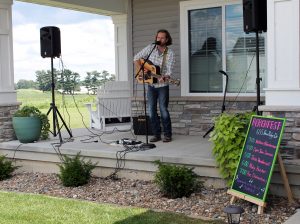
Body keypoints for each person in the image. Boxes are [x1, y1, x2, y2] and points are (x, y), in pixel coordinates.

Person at [133, 29, 175, 143]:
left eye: (162, 38)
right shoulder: (151, 48)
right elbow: (136, 58)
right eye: (158, 37)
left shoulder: (170, 53)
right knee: (151, 110)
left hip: (162, 85)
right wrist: (141, 71)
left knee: (163, 110)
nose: (159, 39)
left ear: (166, 39)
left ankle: (167, 134)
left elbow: (169, 71)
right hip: (151, 85)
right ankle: (156, 134)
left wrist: (164, 76)